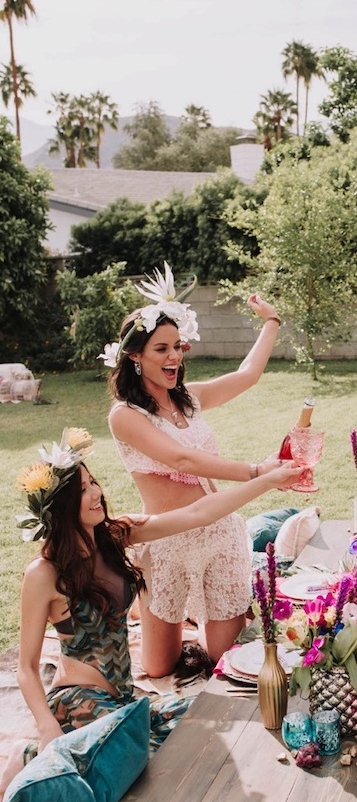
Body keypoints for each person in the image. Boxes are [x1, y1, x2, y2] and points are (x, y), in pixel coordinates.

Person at [0, 427, 300, 802]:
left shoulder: (113, 536)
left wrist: (269, 480)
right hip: (77, 700)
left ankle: (65, 752)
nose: (97, 493)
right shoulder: (43, 574)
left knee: (204, 718)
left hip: (123, 701)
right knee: (156, 766)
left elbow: (197, 513)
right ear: (59, 507)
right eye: (83, 490)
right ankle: (27, 755)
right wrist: (46, 729)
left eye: (94, 482)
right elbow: (26, 667)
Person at [105, 263, 284, 678]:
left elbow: (248, 376)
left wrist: (272, 321)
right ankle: (181, 624)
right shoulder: (125, 416)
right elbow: (181, 460)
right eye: (162, 349)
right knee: (158, 668)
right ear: (135, 357)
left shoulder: (190, 399)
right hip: (168, 541)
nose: (175, 357)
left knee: (227, 660)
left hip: (220, 532)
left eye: (178, 346)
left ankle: (204, 626)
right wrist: (256, 470)